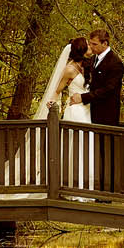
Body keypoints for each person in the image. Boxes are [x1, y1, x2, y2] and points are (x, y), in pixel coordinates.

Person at [35, 36, 94, 192]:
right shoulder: (70, 69)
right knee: (76, 148)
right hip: (75, 111)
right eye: (88, 45)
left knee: (88, 147)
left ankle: (88, 185)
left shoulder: (89, 65)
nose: (90, 47)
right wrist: (53, 104)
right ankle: (74, 187)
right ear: (81, 49)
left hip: (88, 110)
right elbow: (57, 90)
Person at [79, 28, 123, 191]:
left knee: (107, 153)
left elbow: (108, 90)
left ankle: (107, 191)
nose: (91, 47)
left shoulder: (115, 63)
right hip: (92, 113)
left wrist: (84, 97)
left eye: (95, 44)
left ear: (105, 44)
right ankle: (95, 187)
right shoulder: (94, 59)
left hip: (107, 115)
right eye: (90, 43)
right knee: (95, 152)